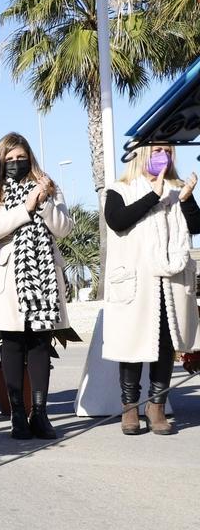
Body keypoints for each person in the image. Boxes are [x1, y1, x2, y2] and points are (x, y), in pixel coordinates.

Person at [0, 133, 74, 440]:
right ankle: (18, 414)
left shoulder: (49, 186)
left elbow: (64, 229)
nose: (16, 163)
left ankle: (40, 414)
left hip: (43, 278)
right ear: (0, 160)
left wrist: (43, 203)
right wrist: (27, 207)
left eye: (21, 158)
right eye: (10, 159)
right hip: (8, 280)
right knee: (14, 344)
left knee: (41, 343)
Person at [102, 145, 200, 435]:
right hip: (136, 280)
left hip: (170, 281)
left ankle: (156, 405)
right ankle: (130, 406)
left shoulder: (178, 187)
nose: (162, 155)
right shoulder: (120, 188)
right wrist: (152, 195)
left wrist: (186, 200)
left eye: (166, 150)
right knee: (132, 343)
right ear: (141, 153)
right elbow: (116, 221)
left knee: (166, 343)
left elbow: (196, 225)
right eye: (156, 149)